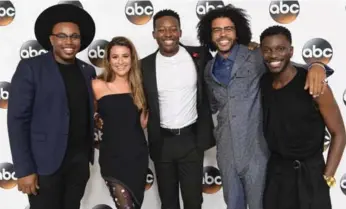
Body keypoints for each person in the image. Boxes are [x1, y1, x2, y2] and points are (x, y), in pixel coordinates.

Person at [196, 4, 333, 209]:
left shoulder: (256, 56)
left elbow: (286, 63)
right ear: (210, 34)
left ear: (237, 32)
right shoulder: (209, 69)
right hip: (226, 152)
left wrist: (318, 65)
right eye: (217, 29)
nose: (223, 34)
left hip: (257, 151)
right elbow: (215, 106)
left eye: (228, 28)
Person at [7, 4, 96, 209]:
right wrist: (24, 170)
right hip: (44, 164)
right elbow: (17, 121)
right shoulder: (31, 68)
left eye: (74, 36)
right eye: (62, 36)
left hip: (78, 163)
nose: (69, 42)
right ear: (51, 39)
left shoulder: (87, 71)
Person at [260, 25, 346, 209]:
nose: (273, 55)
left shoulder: (313, 83)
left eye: (280, 49)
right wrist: (318, 64)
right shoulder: (264, 82)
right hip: (277, 175)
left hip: (311, 175)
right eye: (267, 50)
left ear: (291, 51)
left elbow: (339, 132)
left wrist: (327, 178)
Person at [140, 9, 215, 209]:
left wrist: (252, 47)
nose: (168, 34)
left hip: (191, 141)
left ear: (180, 32)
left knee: (193, 202)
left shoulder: (199, 56)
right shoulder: (144, 66)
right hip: (161, 142)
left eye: (173, 29)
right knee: (168, 203)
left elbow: (227, 64)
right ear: (154, 34)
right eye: (162, 30)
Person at [92, 36, 149, 209]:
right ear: (108, 60)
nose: (120, 62)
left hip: (137, 158)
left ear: (132, 58)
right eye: (115, 57)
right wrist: (96, 119)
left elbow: (142, 120)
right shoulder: (96, 85)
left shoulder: (140, 86)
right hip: (113, 159)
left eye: (125, 56)